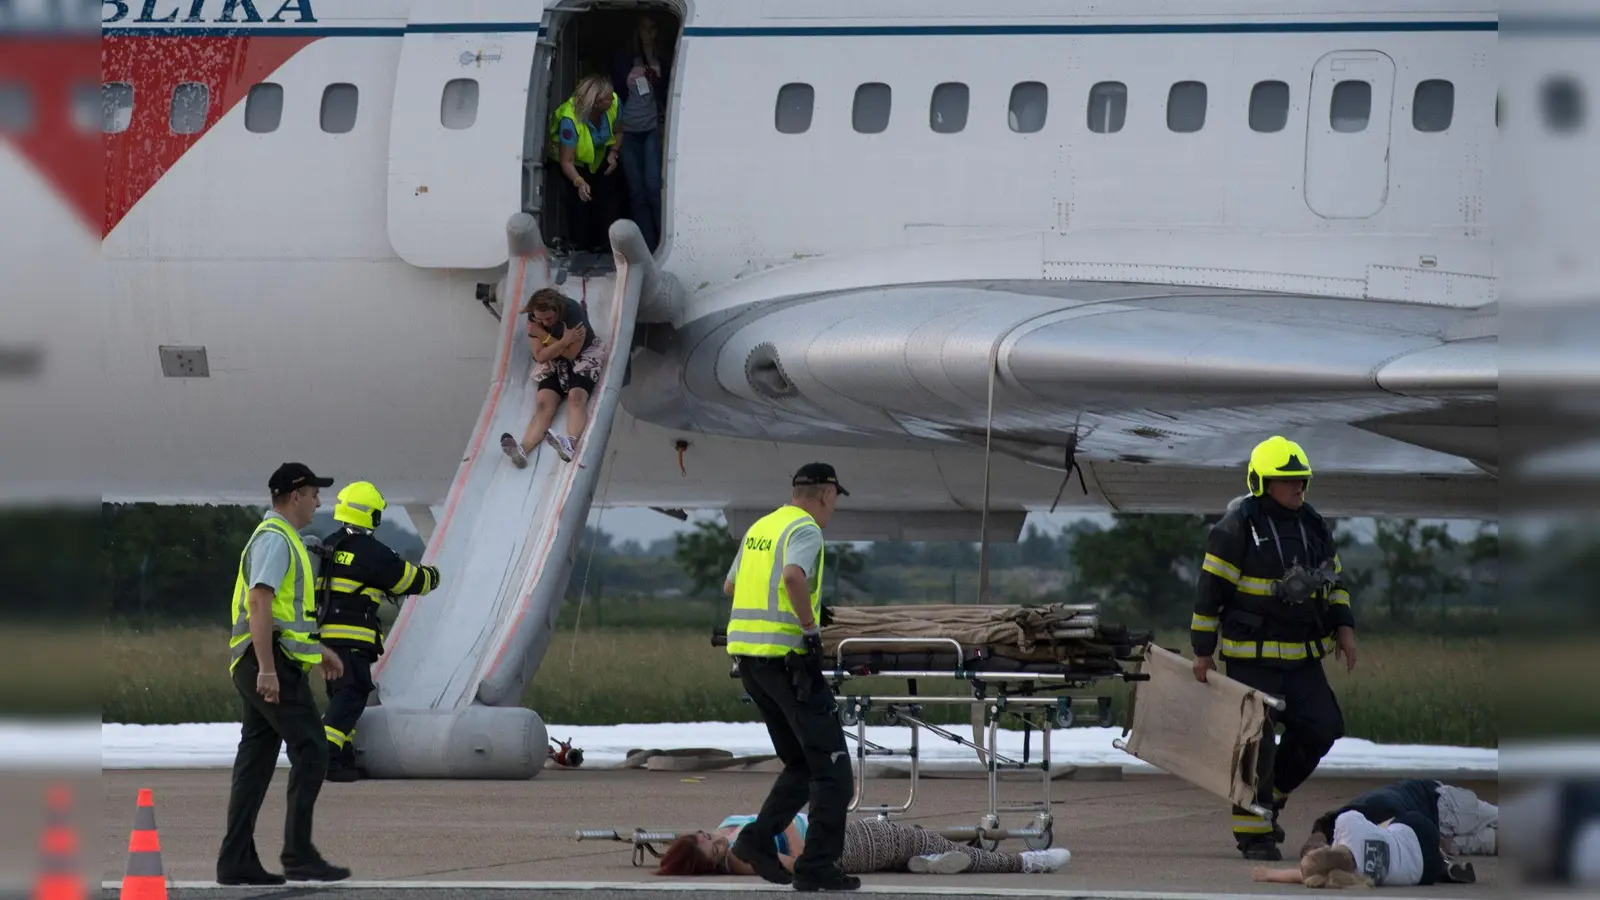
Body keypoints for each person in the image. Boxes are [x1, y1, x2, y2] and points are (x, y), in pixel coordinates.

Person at [1190, 435, 1358, 861]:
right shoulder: (1234, 528)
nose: (1298, 488)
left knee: (1323, 726)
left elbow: (1334, 583)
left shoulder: (1314, 525)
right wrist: (1203, 650)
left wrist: (1344, 627)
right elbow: (1209, 594)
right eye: (1288, 482)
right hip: (1253, 660)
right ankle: (1254, 835)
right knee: (1257, 745)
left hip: (1302, 660)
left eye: (1302, 481)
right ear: (1262, 483)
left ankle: (1273, 799)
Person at [721, 463, 855, 892]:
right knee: (833, 769)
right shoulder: (806, 530)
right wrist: (809, 628)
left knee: (801, 762)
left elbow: (731, 586)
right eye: (835, 499)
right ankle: (816, 866)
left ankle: (756, 841)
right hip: (788, 663)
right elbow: (793, 576)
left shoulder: (762, 526)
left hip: (750, 664)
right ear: (827, 494)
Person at [217, 463, 350, 885]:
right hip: (266, 662)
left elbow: (284, 619)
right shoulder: (276, 539)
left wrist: (317, 651)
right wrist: (269, 671)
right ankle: (298, 854)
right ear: (295, 496)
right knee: (313, 749)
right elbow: (260, 603)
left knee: (255, 763)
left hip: (261, 660)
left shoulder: (280, 538)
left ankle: (236, 860)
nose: (318, 501)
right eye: (314, 493)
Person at [313, 480, 442, 782]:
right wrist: (435, 575)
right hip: (352, 640)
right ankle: (324, 757)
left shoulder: (328, 545)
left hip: (324, 641)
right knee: (352, 695)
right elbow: (411, 581)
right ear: (372, 515)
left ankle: (342, 758)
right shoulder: (371, 552)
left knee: (340, 698)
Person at [655, 813, 1072, 878]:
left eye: (703, 835)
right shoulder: (742, 859)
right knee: (907, 835)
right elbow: (800, 864)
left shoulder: (725, 833)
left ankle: (920, 863)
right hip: (833, 848)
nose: (712, 838)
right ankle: (1026, 862)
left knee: (907, 844)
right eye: (709, 846)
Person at [500, 287, 607, 467]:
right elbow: (539, 356)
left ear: (557, 311)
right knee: (543, 404)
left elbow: (573, 353)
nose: (545, 323)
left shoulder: (573, 315)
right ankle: (522, 450)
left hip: (584, 356)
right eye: (540, 320)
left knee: (576, 398)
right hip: (554, 360)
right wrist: (563, 341)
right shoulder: (535, 319)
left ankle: (570, 444)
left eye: (549, 319)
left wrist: (544, 336)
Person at [1301, 779, 1496, 863]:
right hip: (1440, 832)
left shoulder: (1375, 811)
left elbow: (1412, 823)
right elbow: (1324, 824)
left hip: (1443, 806)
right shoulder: (1347, 820)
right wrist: (1313, 848)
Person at [1252, 809, 1453, 888]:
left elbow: (1302, 875)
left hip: (1424, 873)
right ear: (1324, 848)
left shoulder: (1351, 877)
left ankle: (1443, 861)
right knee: (1386, 826)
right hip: (1418, 832)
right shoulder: (1347, 824)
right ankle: (1443, 848)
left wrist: (1271, 874)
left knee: (1388, 844)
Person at [610, 13, 669, 252]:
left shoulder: (662, 56)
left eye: (652, 28)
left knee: (654, 187)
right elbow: (614, 92)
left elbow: (666, 91)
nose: (648, 33)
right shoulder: (626, 57)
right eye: (644, 29)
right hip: (628, 130)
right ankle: (649, 244)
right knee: (637, 192)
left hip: (651, 127)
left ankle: (664, 238)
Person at [546, 73, 622, 253]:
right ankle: (580, 250)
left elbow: (619, 131)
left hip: (598, 159)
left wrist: (614, 153)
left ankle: (606, 247)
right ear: (596, 103)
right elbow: (566, 161)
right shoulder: (570, 119)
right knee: (579, 206)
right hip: (573, 165)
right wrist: (579, 182)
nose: (613, 99)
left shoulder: (615, 104)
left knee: (607, 203)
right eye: (607, 98)